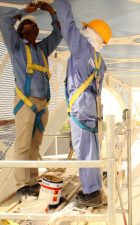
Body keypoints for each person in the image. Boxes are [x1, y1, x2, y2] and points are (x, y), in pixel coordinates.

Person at [0, 1, 62, 199]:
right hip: (25, 104)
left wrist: (52, 12)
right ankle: (21, 186)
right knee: (23, 146)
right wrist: (23, 11)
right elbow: (3, 20)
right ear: (19, 31)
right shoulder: (16, 47)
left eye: (34, 24)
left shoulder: (43, 49)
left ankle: (33, 182)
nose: (31, 26)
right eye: (26, 24)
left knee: (35, 146)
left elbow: (58, 33)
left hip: (42, 106)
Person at [54, 0, 112, 207]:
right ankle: (92, 188)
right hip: (92, 109)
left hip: (82, 108)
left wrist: (60, 4)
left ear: (92, 34)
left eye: (86, 29)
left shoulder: (82, 48)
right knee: (90, 150)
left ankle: (91, 193)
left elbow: (68, 26)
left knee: (85, 151)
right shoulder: (99, 60)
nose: (83, 30)